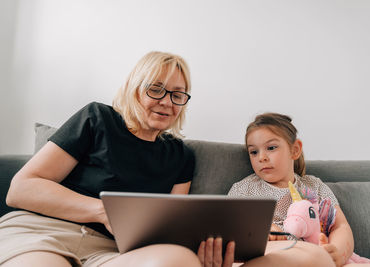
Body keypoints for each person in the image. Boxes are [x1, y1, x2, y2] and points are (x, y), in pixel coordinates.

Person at [0, 51, 234, 267]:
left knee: (181, 260)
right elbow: (21, 189)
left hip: (113, 252)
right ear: (134, 89)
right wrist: (103, 211)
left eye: (177, 94)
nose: (167, 101)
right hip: (45, 232)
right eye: (156, 89)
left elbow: (169, 230)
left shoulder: (181, 156)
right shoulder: (97, 118)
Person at [228, 112, 370, 267]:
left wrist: (337, 252)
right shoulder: (244, 189)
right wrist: (262, 230)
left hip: (315, 252)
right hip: (271, 254)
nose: (261, 157)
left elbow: (340, 226)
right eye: (254, 152)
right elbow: (231, 229)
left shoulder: (314, 186)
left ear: (295, 150)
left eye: (271, 148)